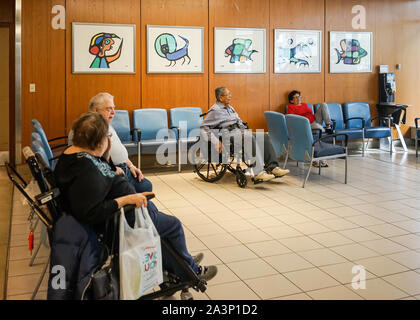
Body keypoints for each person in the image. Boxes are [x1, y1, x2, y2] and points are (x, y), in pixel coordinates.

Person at [54, 112, 217, 285]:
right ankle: (190, 272)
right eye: (107, 136)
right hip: (118, 222)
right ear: (99, 140)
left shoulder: (74, 155)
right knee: (173, 225)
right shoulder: (86, 170)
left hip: (125, 211)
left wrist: (106, 156)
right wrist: (126, 200)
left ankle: (179, 263)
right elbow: (91, 212)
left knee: (157, 217)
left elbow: (99, 178)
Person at [200, 87, 290, 182]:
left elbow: (238, 120)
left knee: (263, 136)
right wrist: (215, 141)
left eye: (230, 94)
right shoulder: (215, 110)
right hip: (227, 134)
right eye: (228, 95)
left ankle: (273, 167)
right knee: (248, 137)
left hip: (239, 131)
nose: (230, 97)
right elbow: (203, 127)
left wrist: (243, 127)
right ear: (221, 98)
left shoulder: (230, 107)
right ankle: (258, 172)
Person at [69, 92, 153, 193]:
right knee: (143, 192)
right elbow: (88, 160)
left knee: (146, 187)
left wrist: (131, 166)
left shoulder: (107, 125)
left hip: (124, 168)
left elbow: (119, 148)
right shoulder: (86, 128)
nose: (113, 112)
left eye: (113, 108)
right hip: (110, 173)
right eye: (108, 109)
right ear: (96, 110)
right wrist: (110, 169)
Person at [287, 90, 333, 167]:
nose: (299, 99)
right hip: (305, 124)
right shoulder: (291, 107)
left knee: (323, 104)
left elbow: (311, 114)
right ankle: (318, 157)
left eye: (299, 96)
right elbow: (292, 119)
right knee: (319, 129)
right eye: (296, 97)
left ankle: (328, 125)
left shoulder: (304, 105)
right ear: (291, 100)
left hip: (314, 120)